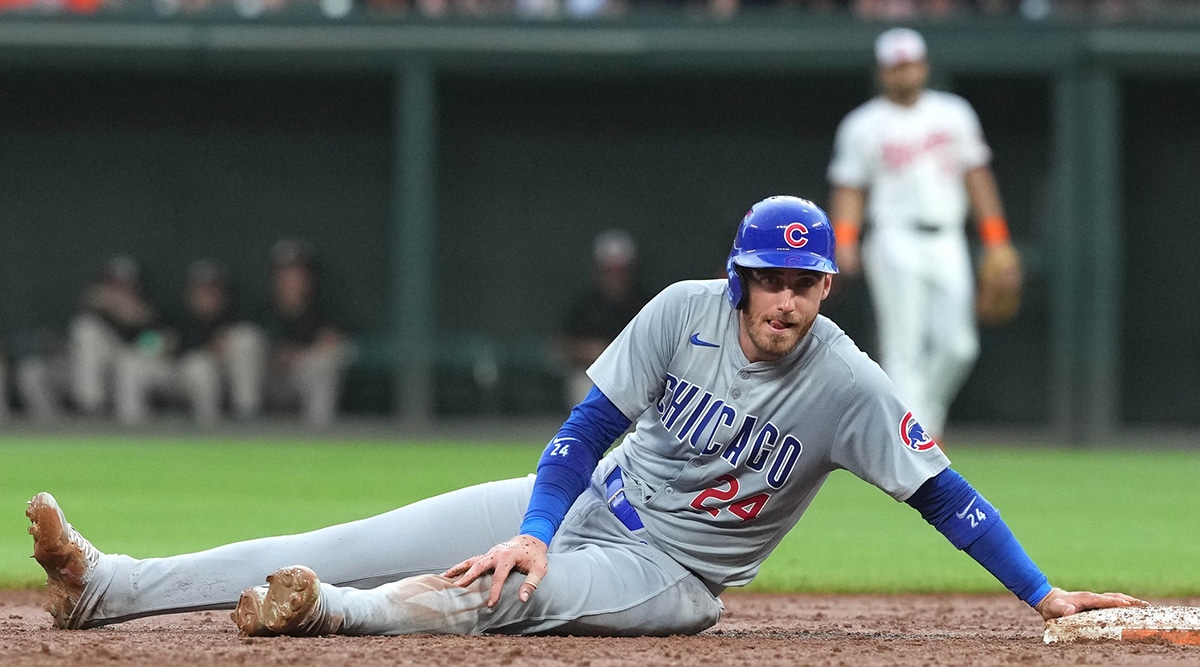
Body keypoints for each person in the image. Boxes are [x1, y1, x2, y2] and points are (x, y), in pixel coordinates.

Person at [26, 196, 1140, 637]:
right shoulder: (677, 314)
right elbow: (584, 431)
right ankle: (109, 588)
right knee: (345, 541)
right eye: (770, 279)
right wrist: (542, 517)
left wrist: (1043, 593)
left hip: (670, 575)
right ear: (738, 276)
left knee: (504, 594)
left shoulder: (849, 384)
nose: (787, 301)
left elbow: (946, 496)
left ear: (827, 290)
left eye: (806, 285)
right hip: (589, 504)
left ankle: (327, 620)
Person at [826, 27, 1022, 443]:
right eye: (896, 66)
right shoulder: (863, 124)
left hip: (947, 236)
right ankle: (918, 440)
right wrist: (844, 239)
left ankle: (924, 419)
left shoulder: (953, 113)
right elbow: (850, 188)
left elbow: (978, 179)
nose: (904, 73)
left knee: (960, 346)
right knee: (904, 347)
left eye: (911, 64)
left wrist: (997, 240)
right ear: (882, 72)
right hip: (892, 237)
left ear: (924, 66)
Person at [112, 260, 265, 426]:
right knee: (129, 361)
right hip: (171, 370)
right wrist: (159, 344)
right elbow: (144, 342)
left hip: (207, 376)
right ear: (190, 292)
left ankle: (213, 427)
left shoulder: (232, 317)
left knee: (201, 366)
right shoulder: (175, 315)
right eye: (201, 290)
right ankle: (132, 427)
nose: (207, 295)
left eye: (212, 290)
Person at [250, 238, 347, 427]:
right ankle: (246, 420)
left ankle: (319, 431)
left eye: (298, 273)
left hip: (301, 378)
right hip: (266, 378)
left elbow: (333, 342)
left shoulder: (324, 313)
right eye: (285, 273)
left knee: (326, 359)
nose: (292, 279)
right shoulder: (258, 311)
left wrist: (298, 356)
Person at [556, 229, 649, 409]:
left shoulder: (646, 303)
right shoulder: (585, 305)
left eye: (621, 271)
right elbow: (560, 345)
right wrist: (590, 351)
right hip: (593, 376)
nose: (615, 278)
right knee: (584, 387)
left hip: (638, 377)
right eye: (609, 271)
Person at [67, 255, 166, 418]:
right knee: (85, 328)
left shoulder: (148, 311)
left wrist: (139, 321)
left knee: (129, 363)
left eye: (124, 284)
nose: (118, 289)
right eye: (113, 284)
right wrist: (107, 310)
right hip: (102, 364)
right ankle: (91, 407)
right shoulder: (95, 308)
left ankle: (133, 426)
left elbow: (157, 346)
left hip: (141, 363)